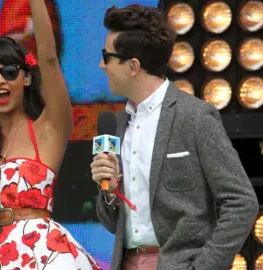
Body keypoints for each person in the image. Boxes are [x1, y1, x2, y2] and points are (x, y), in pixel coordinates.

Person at [90, 4, 259, 270]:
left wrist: (204, 266)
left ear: (133, 66)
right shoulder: (119, 123)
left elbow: (242, 202)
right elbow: (113, 224)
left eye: (106, 56)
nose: (102, 65)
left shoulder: (194, 117)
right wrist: (109, 192)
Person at [0, 1, 101, 269]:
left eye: (9, 72)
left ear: (26, 78)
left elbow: (48, 57)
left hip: (42, 254)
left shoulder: (49, 128)